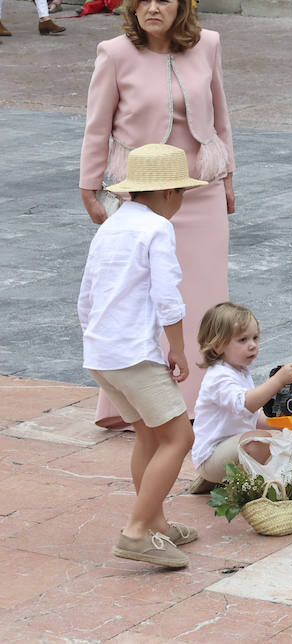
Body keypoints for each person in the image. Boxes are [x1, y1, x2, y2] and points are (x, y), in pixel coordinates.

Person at [81, 0, 236, 429]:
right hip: (139, 197)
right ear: (132, 4)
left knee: (205, 299)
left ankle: (198, 404)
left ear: (181, 5)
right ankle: (137, 406)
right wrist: (90, 189)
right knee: (139, 299)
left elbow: (222, 117)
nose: (152, 8)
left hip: (200, 193)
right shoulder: (114, 53)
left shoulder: (208, 44)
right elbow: (97, 127)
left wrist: (229, 176)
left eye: (163, 0)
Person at [78, 142, 205, 568]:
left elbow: (87, 293)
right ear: (169, 193)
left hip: (101, 352)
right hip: (134, 354)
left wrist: (94, 339)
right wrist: (178, 348)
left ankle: (157, 525)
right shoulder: (157, 229)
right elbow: (167, 296)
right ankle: (135, 531)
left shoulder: (111, 225)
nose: (182, 201)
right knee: (179, 437)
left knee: (150, 436)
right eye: (182, 193)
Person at [190, 301, 292, 488]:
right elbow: (246, 404)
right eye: (243, 340)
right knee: (258, 441)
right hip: (211, 456)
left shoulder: (239, 371)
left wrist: (287, 424)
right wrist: (277, 381)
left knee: (261, 436)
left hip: (225, 451)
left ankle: (218, 481)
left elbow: (250, 416)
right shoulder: (219, 376)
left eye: (255, 338)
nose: (252, 345)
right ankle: (239, 488)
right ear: (218, 346)